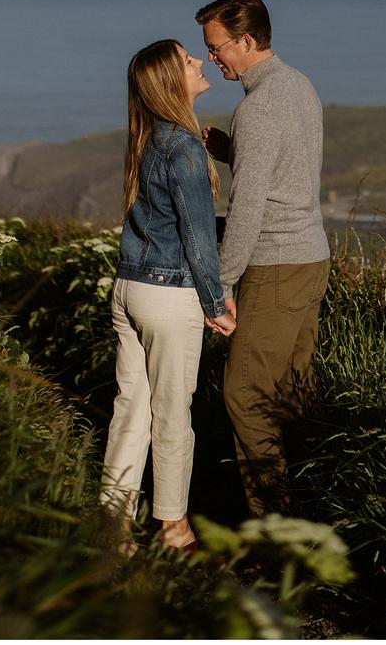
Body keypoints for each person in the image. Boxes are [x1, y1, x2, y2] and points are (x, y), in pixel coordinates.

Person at [197, 0, 330, 517]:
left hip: (274, 267)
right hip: (311, 259)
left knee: (246, 396)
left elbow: (248, 207)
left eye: (217, 47)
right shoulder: (299, 85)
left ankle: (273, 524)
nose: (212, 58)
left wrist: (221, 286)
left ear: (246, 40)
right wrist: (235, 151)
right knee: (294, 395)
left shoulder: (256, 108)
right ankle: (320, 502)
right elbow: (289, 167)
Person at [102, 38, 237, 552]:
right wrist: (215, 303)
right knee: (172, 414)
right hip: (167, 295)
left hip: (129, 289)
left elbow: (162, 222)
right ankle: (174, 528)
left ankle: (112, 529)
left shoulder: (148, 137)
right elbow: (196, 235)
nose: (199, 62)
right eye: (187, 60)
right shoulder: (182, 145)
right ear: (169, 81)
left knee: (130, 411)